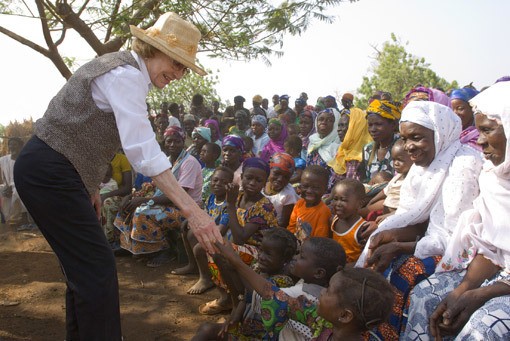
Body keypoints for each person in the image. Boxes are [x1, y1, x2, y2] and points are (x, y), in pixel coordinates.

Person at [13, 12, 222, 340]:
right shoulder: (125, 76)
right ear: (153, 49)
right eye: (177, 63)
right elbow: (143, 151)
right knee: (97, 268)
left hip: (55, 171)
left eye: (184, 68)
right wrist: (195, 212)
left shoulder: (123, 71)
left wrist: (91, 183)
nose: (179, 74)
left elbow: (88, 131)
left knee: (84, 270)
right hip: (48, 173)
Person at [356, 101, 483, 340]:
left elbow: (455, 238)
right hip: (432, 242)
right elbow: (414, 216)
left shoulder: (464, 165)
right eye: (404, 139)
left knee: (406, 271)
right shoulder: (421, 167)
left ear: (441, 132)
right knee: (376, 255)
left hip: (465, 254)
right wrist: (389, 235)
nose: (409, 147)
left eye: (417, 137)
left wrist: (399, 246)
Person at [404, 81, 510, 340]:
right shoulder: (493, 178)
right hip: (499, 275)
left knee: (484, 327)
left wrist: (480, 294)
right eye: (478, 130)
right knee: (426, 295)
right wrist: (462, 290)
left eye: (487, 130)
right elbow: (491, 248)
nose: (480, 141)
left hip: (500, 286)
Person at [215, 238, 394, 341]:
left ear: (345, 315)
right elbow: (274, 294)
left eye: (329, 290)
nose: (322, 292)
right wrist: (235, 261)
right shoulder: (322, 322)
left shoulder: (322, 324)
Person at [115, 126, 203, 267]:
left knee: (143, 212)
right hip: (169, 205)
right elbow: (154, 186)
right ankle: (134, 247)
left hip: (186, 209)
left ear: (183, 142)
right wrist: (133, 196)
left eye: (177, 141)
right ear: (165, 142)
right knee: (127, 206)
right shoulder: (167, 160)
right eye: (169, 141)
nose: (173, 144)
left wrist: (144, 201)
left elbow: (180, 196)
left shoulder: (189, 162)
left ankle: (163, 251)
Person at [201, 158, 278, 315]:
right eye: (248, 178)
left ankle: (236, 301)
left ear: (265, 183)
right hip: (240, 245)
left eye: (258, 180)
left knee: (222, 251)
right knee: (211, 245)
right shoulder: (238, 195)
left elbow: (240, 239)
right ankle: (226, 296)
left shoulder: (264, 206)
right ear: (241, 177)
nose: (252, 183)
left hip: (259, 251)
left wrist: (230, 206)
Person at [193, 228, 297, 340]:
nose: (261, 257)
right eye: (261, 250)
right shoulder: (257, 268)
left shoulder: (284, 282)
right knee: (205, 329)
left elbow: (257, 292)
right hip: (245, 329)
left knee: (207, 331)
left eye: (268, 254)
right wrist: (234, 319)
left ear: (284, 260)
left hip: (262, 336)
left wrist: (236, 263)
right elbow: (244, 294)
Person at [172, 166, 234, 295]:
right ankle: (194, 265)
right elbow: (204, 215)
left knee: (198, 247)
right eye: (215, 180)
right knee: (187, 230)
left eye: (224, 182)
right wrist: (192, 222)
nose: (218, 184)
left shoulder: (229, 203)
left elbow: (221, 230)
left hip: (224, 237)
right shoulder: (212, 197)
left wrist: (201, 229)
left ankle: (206, 278)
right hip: (212, 231)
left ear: (230, 185)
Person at [365, 139, 413, 223]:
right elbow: (385, 191)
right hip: (385, 212)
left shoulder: (411, 181)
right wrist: (372, 201)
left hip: (396, 217)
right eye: (394, 159)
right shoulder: (397, 177)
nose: (396, 163)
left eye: (400, 160)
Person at [358, 99, 401, 183]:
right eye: (370, 125)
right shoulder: (367, 149)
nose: (373, 129)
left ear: (393, 125)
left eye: (378, 124)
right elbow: (363, 179)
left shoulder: (400, 147)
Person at [287, 165, 331, 242]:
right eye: (305, 186)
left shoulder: (323, 212)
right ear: (300, 186)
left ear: (325, 189)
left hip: (311, 249)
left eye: (316, 187)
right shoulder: (299, 203)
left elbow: (319, 240)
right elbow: (291, 227)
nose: (309, 191)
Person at [328, 105, 372, 180]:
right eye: (339, 126)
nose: (339, 130)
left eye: (343, 125)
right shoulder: (342, 152)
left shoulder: (365, 156)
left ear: (357, 128)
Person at [330, 179, 368, 264]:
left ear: (360, 204)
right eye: (335, 199)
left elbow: (365, 259)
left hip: (350, 272)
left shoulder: (362, 229)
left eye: (343, 200)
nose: (338, 204)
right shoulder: (334, 220)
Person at [306, 108, 340, 191]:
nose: (324, 122)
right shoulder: (313, 142)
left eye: (329, 120)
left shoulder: (338, 146)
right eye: (320, 119)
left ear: (336, 124)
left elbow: (337, 177)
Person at [263, 153, 300, 228]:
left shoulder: (288, 194)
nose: (280, 179)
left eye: (286, 177)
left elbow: (283, 223)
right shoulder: (262, 184)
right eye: (277, 173)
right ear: (269, 170)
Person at [0, 137, 28, 226]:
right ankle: (4, 219)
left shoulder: (26, 160)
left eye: (15, 145)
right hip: (8, 187)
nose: (12, 147)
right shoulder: (3, 160)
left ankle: (24, 217)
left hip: (23, 186)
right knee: (1, 191)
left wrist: (12, 186)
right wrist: (5, 187)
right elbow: (4, 177)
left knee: (17, 191)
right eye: (10, 144)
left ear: (20, 146)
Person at [450, 87, 482, 151]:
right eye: (452, 109)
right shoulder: (451, 135)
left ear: (473, 108)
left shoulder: (482, 134)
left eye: (460, 108)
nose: (455, 113)